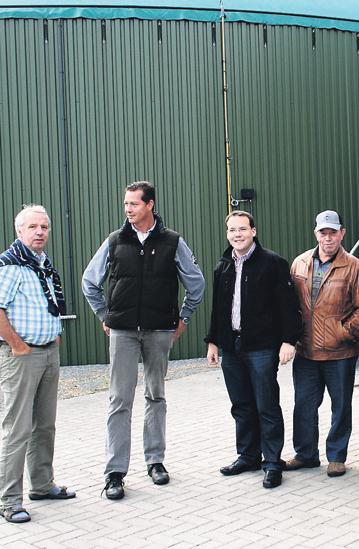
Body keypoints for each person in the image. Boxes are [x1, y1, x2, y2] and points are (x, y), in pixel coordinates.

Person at [82, 181, 205, 500]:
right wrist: (105, 316)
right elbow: (89, 281)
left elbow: (196, 283)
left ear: (149, 204)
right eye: (125, 204)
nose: (127, 209)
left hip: (159, 331)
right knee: (119, 400)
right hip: (122, 332)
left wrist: (184, 318)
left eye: (133, 204)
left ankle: (155, 462)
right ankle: (114, 473)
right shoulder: (114, 241)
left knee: (156, 395)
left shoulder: (172, 242)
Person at [206, 210, 302, 489]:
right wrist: (213, 342)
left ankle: (272, 462)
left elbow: (288, 306)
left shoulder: (272, 263)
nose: (237, 234)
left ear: (253, 231)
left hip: (261, 347)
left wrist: (288, 340)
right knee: (241, 405)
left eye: (242, 229)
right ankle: (248, 455)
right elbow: (218, 309)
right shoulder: (222, 266)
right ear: (227, 234)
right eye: (232, 230)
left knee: (266, 405)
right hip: (231, 347)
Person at [0, 205, 75, 524]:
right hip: (21, 356)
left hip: (47, 353)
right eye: (33, 227)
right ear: (19, 231)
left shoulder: (41, 264)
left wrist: (53, 334)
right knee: (17, 428)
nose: (40, 232)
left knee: (45, 425)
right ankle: (8, 499)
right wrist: (18, 345)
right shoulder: (10, 265)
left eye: (44, 226)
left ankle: (42, 485)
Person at [285, 210, 359, 478]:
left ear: (342, 233)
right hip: (306, 350)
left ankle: (337, 456)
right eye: (323, 232)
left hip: (340, 351)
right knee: (304, 404)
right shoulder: (299, 263)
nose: (328, 237)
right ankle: (306, 454)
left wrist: (343, 331)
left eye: (333, 232)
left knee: (340, 406)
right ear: (315, 233)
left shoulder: (354, 266)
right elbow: (290, 305)